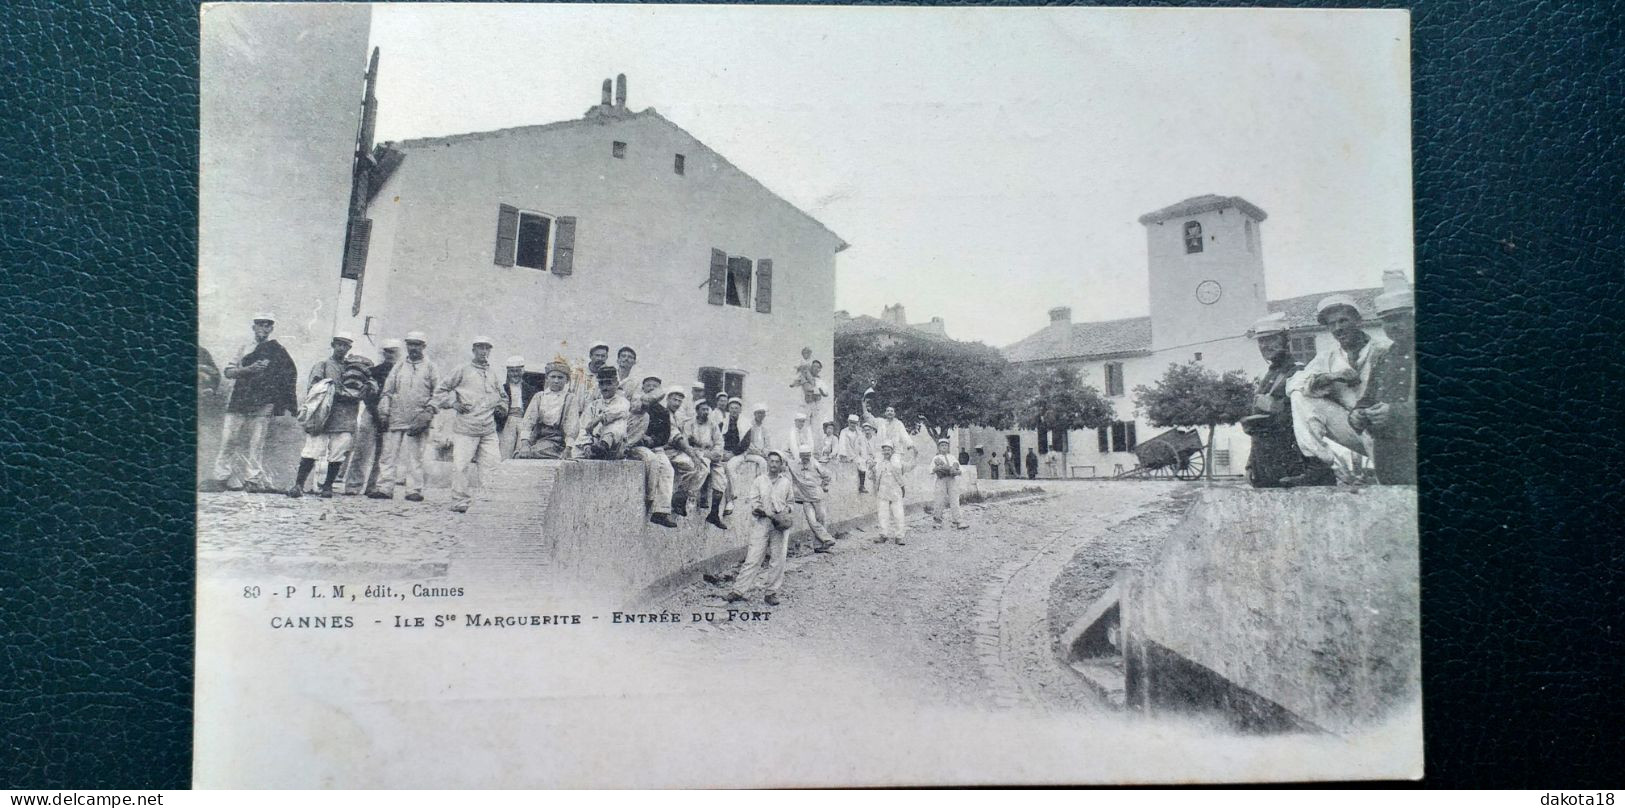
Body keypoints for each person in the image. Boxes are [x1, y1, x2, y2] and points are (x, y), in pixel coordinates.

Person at [1286, 295, 1392, 484]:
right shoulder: (1328, 357)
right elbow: (1293, 384)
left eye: (1343, 320)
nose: (1338, 328)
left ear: (1358, 320)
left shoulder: (1383, 349)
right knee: (1299, 396)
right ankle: (1320, 465)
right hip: (1353, 427)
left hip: (1386, 428)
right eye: (1331, 324)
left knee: (1390, 484)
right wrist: (1332, 377)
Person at [202, 312, 298, 493]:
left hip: (263, 403)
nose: (264, 328)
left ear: (272, 328)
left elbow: (288, 374)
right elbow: (229, 372)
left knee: (257, 443)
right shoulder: (244, 347)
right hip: (240, 400)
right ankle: (221, 478)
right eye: (260, 324)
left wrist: (278, 401)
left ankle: (252, 480)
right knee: (229, 440)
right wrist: (249, 369)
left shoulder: (277, 350)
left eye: (267, 325)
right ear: (253, 327)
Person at [1241, 313, 1335, 488]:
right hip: (1264, 462)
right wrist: (1250, 464)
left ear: (1286, 339)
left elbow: (1308, 417)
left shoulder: (1299, 373)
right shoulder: (1268, 376)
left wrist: (1275, 407)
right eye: (1261, 341)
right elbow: (1257, 426)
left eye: (1271, 339)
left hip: (1292, 462)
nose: (1265, 345)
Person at [289, 332, 376, 499]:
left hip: (345, 416)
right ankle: (298, 485)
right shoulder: (322, 365)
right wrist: (330, 390)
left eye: (345, 345)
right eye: (339, 344)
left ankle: (327, 486)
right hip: (322, 415)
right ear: (333, 345)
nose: (342, 348)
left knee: (338, 451)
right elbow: (313, 388)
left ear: (349, 347)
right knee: (312, 450)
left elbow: (368, 386)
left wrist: (365, 387)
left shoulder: (356, 367)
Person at [1349, 273, 1416, 484]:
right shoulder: (1383, 357)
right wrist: (1357, 415)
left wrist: (1395, 412)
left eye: (1400, 317)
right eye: (1387, 320)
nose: (1393, 326)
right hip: (1386, 450)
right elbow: (1367, 399)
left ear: (1413, 317)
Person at [434, 336, 505, 513]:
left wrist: (502, 408)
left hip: (488, 429)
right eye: (480, 348)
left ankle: (488, 502)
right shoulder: (462, 370)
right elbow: (440, 391)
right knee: (461, 465)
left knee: (492, 466)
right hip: (466, 428)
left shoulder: (493, 373)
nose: (484, 351)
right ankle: (460, 501)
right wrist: (453, 403)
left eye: (487, 348)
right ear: (473, 350)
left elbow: (503, 396)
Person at [724, 450, 796, 606]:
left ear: (781, 464)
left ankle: (771, 593)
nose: (774, 464)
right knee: (753, 557)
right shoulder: (759, 481)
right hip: (762, 522)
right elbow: (754, 503)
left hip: (780, 526)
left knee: (778, 559)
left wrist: (785, 513)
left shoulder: (786, 482)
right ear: (767, 463)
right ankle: (738, 590)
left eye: (777, 462)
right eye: (771, 461)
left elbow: (791, 502)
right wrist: (768, 514)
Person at [374, 331, 439, 501]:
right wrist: (384, 411)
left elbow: (438, 393)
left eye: (417, 344)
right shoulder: (399, 366)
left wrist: (429, 412)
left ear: (423, 347)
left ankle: (413, 490)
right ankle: (385, 487)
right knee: (389, 455)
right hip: (396, 417)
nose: (413, 348)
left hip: (418, 419)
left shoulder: (431, 367)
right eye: (410, 344)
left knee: (415, 457)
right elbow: (388, 390)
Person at [344, 338, 401, 496]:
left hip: (392, 415)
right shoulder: (375, 371)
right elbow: (367, 395)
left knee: (384, 454)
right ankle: (353, 486)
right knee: (362, 450)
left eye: (393, 352)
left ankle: (373, 486)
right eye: (387, 351)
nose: (390, 355)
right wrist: (377, 414)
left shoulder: (401, 373)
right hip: (371, 413)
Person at [624, 376, 679, 527]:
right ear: (643, 388)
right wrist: (641, 437)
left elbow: (665, 435)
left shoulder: (662, 411)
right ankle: (650, 499)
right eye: (648, 386)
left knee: (668, 469)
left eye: (654, 387)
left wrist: (653, 440)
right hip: (635, 444)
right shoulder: (635, 405)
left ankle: (661, 511)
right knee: (652, 462)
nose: (650, 389)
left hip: (654, 446)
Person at [658, 387, 706, 518]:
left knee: (700, 466)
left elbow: (683, 437)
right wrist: (691, 453)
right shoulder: (664, 413)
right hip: (663, 449)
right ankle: (678, 500)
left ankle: (682, 497)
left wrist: (693, 451)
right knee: (690, 465)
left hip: (674, 449)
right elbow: (676, 437)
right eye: (674, 400)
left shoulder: (677, 415)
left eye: (679, 401)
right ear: (667, 399)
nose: (677, 403)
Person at [514, 361, 578, 459]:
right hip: (536, 436)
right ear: (547, 378)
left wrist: (568, 449)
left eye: (560, 377)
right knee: (518, 454)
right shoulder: (539, 396)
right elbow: (528, 421)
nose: (556, 381)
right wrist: (525, 444)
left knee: (531, 454)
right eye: (553, 377)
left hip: (556, 440)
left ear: (567, 380)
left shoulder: (570, 398)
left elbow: (572, 424)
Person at [685, 399, 730, 529]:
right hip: (697, 454)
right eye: (703, 409)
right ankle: (689, 497)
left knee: (721, 480)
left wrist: (714, 453)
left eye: (707, 410)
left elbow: (719, 442)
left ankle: (714, 514)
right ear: (697, 410)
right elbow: (687, 442)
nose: (705, 412)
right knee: (703, 468)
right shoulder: (690, 424)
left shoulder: (712, 424)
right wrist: (701, 451)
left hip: (712, 455)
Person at [724, 403, 773, 517]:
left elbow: (768, 446)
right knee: (730, 466)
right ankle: (732, 496)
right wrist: (759, 452)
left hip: (757, 456)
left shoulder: (765, 429)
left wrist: (764, 453)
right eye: (758, 413)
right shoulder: (747, 424)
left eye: (762, 413)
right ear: (755, 414)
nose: (761, 415)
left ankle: (762, 497)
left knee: (763, 464)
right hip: (745, 453)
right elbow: (747, 443)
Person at [576, 366, 632, 459]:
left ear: (616, 384)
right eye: (602, 384)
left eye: (609, 384)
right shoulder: (593, 405)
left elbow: (618, 412)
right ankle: (594, 450)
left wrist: (599, 418)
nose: (605, 388)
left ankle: (604, 445)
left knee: (617, 423)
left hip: (615, 448)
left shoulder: (622, 402)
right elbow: (583, 427)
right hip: (594, 445)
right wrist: (586, 446)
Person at [789, 449, 836, 554]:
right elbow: (785, 460)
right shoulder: (794, 464)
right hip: (805, 498)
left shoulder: (815, 463)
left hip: (817, 496)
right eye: (803, 455)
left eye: (807, 456)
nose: (805, 458)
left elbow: (827, 474)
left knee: (821, 519)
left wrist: (824, 485)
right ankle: (827, 538)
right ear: (800, 455)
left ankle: (819, 546)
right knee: (812, 521)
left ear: (810, 455)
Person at [869, 439, 912, 545]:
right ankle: (883, 535)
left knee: (898, 514)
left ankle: (899, 536)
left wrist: (902, 487)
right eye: (885, 450)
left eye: (889, 450)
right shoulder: (878, 464)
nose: (886, 452)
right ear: (882, 452)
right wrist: (871, 469)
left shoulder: (896, 463)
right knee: (883, 514)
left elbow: (902, 474)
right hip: (883, 492)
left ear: (892, 451)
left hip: (895, 492)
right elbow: (872, 477)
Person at [931, 437, 969, 530]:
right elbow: (932, 470)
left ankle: (958, 521)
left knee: (955, 500)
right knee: (939, 500)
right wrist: (937, 468)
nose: (944, 447)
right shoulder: (936, 458)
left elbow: (959, 468)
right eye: (942, 445)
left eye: (946, 445)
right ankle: (937, 521)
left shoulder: (952, 457)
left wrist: (956, 471)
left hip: (952, 480)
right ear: (939, 447)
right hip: (941, 479)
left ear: (948, 447)